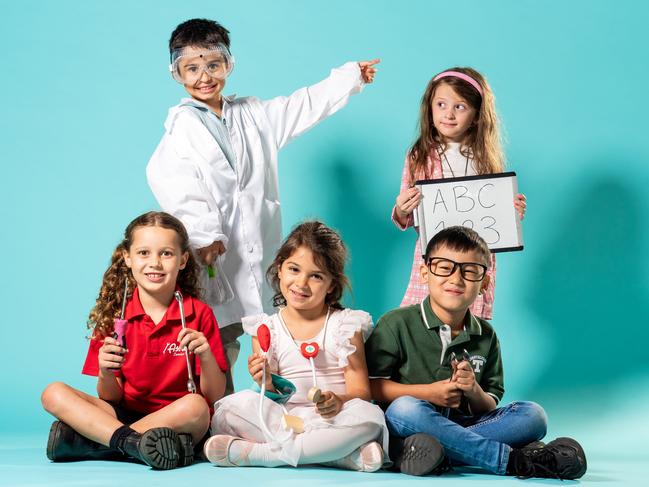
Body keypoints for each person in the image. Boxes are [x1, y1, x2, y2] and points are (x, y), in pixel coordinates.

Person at [146, 18, 380, 392]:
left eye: (213, 65)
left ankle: (277, 411)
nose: (204, 76)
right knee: (219, 339)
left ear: (228, 64)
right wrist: (205, 232)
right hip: (215, 257)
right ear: (176, 74)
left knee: (270, 336)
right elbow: (170, 180)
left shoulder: (254, 115)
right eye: (191, 68)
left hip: (260, 247)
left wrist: (348, 78)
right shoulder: (180, 131)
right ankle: (215, 414)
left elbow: (302, 105)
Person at [365, 226, 587, 479]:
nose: (456, 279)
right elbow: (371, 387)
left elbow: (489, 404)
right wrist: (428, 393)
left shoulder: (486, 335)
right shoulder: (396, 323)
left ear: (484, 283)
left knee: (533, 416)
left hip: (465, 426)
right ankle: (513, 459)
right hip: (409, 425)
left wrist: (473, 390)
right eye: (444, 267)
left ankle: (433, 453)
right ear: (424, 273)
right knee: (403, 408)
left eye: (470, 271)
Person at [203, 221, 397, 472]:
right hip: (287, 420)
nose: (301, 283)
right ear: (280, 269)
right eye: (294, 269)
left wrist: (338, 401)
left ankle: (263, 455)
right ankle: (340, 457)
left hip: (335, 417)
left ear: (331, 285)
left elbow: (361, 391)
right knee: (232, 411)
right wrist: (267, 380)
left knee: (368, 419)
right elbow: (271, 396)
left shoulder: (346, 324)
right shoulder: (266, 328)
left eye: (316, 276)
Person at [41, 212, 228, 470]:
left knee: (197, 407)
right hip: (124, 413)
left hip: (179, 416)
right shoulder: (114, 317)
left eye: (166, 253)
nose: (155, 263)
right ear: (127, 258)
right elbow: (109, 396)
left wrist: (206, 356)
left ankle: (97, 442)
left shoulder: (199, 314)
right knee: (53, 393)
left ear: (183, 260)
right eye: (143, 253)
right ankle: (136, 444)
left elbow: (214, 394)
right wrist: (106, 372)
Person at [392, 67, 526, 319]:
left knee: (464, 323)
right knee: (423, 321)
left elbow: (493, 217)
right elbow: (408, 218)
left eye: (460, 107)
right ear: (429, 108)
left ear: (476, 115)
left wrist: (512, 214)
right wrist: (401, 209)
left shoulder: (486, 160)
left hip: (473, 256)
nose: (448, 114)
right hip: (435, 256)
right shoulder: (420, 156)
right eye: (441, 104)